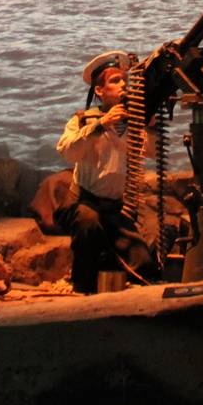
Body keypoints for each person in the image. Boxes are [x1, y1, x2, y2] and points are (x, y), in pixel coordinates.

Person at [55, 49, 145, 293]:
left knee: (143, 260)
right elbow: (67, 151)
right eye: (115, 81)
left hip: (114, 207)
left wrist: (148, 125)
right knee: (88, 223)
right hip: (83, 202)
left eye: (125, 80)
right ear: (99, 90)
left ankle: (109, 267)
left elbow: (149, 151)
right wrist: (100, 125)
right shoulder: (83, 120)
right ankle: (82, 285)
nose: (123, 85)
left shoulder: (134, 121)